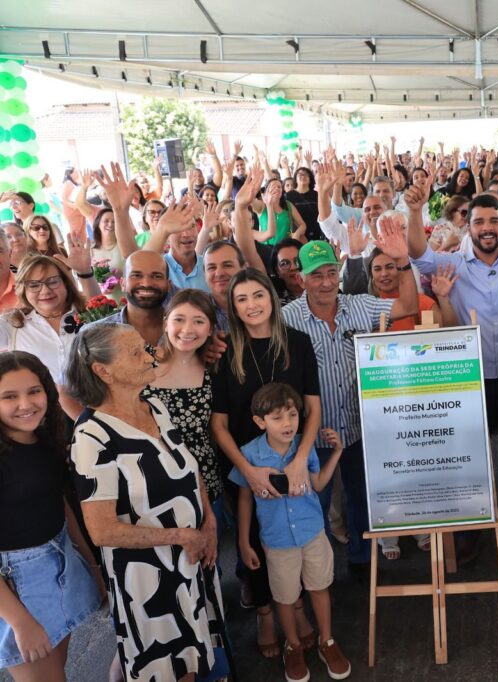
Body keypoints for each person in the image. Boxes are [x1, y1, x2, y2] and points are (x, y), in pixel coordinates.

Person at [407, 174, 498, 568]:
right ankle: (470, 532)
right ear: (467, 227)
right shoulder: (453, 263)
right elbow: (418, 254)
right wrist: (415, 211)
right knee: (469, 459)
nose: (487, 228)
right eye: (479, 222)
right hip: (471, 379)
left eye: (494, 221)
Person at [66, 324, 223, 681]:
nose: (150, 356)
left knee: (191, 656)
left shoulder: (153, 404)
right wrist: (181, 536)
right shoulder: (92, 437)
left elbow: (186, 465)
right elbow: (102, 530)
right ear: (103, 371)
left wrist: (209, 521)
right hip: (147, 578)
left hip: (189, 557)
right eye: (135, 352)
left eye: (145, 347)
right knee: (166, 665)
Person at [279, 211, 418, 569]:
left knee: (361, 500)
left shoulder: (360, 305)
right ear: (301, 278)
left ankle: (361, 563)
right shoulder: (286, 319)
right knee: (314, 505)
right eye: (316, 275)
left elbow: (409, 305)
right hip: (312, 435)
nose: (325, 282)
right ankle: (319, 572)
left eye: (330, 272)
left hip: (358, 428)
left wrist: (403, 261)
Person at [210, 267, 321, 659]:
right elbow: (219, 425)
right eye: (241, 299)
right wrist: (248, 471)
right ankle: (265, 614)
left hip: (292, 459)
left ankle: (297, 607)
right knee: (254, 540)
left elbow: (313, 407)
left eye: (258, 295)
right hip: (245, 464)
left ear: (271, 298)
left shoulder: (298, 342)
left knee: (295, 535)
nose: (251, 305)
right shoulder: (224, 351)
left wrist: (301, 458)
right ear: (233, 307)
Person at [231, 383, 350, 682]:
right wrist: (244, 541)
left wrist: (337, 451)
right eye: (277, 417)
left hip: (312, 533)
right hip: (278, 540)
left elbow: (318, 484)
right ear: (260, 421)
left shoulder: (303, 448)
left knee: (320, 587)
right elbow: (244, 499)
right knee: (285, 597)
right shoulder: (249, 454)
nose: (287, 423)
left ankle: (327, 641)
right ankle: (292, 645)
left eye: (293, 415)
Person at [0, 352, 102, 682]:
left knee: (58, 670)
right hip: (15, 589)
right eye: (9, 396)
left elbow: (59, 505)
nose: (25, 404)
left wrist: (91, 567)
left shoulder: (45, 439)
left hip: (61, 563)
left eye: (34, 391)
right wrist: (19, 621)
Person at [142, 290, 224, 508]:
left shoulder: (214, 368)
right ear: (165, 323)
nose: (187, 330)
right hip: (149, 480)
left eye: (199, 321)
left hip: (202, 478)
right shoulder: (141, 361)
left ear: (210, 329)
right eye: (179, 319)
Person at [0, 252, 100, 417]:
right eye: (34, 285)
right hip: (45, 417)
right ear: (23, 289)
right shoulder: (12, 323)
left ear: (66, 283)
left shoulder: (87, 315)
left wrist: (85, 272)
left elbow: (102, 313)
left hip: (100, 407)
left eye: (53, 282)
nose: (45, 290)